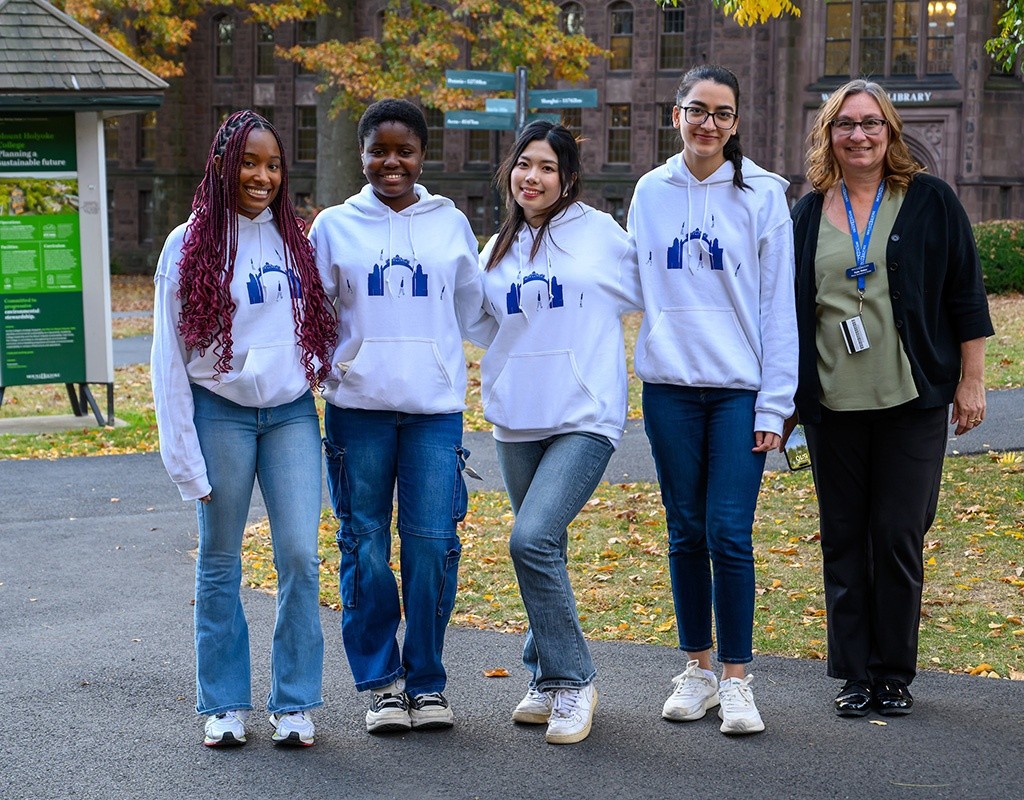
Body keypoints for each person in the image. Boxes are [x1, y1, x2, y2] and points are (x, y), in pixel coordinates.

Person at [789, 79, 993, 718]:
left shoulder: (930, 200)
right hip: (833, 404)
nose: (859, 135)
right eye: (846, 124)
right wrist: (788, 394)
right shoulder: (806, 212)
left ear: (890, 131)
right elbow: (788, 310)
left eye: (871, 123)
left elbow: (966, 292)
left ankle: (893, 673)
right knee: (844, 537)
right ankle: (854, 673)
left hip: (913, 399)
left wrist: (971, 378)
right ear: (829, 134)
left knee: (899, 533)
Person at [151, 110, 337, 748]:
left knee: (299, 556)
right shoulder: (188, 243)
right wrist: (184, 460)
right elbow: (168, 359)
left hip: (289, 414)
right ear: (225, 165)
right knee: (220, 559)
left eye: (274, 165)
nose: (263, 177)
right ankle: (225, 704)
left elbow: (323, 327)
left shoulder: (295, 238)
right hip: (219, 413)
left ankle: (293, 702)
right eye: (251, 164)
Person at [627, 64, 797, 735]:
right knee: (684, 530)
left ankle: (736, 680)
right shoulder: (649, 192)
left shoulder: (762, 195)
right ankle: (695, 669)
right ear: (676, 115)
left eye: (722, 114)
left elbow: (777, 305)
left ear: (735, 123)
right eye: (697, 110)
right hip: (670, 388)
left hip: (737, 391)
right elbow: (627, 283)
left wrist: (774, 405)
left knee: (729, 531)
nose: (708, 124)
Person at [308, 99, 483, 734]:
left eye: (403, 150)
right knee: (367, 545)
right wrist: (336, 368)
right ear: (361, 155)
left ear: (422, 155)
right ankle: (383, 682)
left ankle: (428, 681)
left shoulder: (449, 223)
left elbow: (475, 311)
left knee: (434, 545)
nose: (391, 162)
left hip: (434, 412)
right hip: (358, 411)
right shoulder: (333, 226)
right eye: (379, 150)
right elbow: (313, 312)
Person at [471, 120, 642, 745]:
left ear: (567, 177)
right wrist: (520, 359)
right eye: (522, 165)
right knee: (548, 548)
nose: (531, 177)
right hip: (516, 419)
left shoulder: (601, 235)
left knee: (530, 539)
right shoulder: (497, 248)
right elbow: (485, 322)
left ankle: (574, 680)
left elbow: (654, 294)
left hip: (584, 416)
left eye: (545, 167)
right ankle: (544, 677)